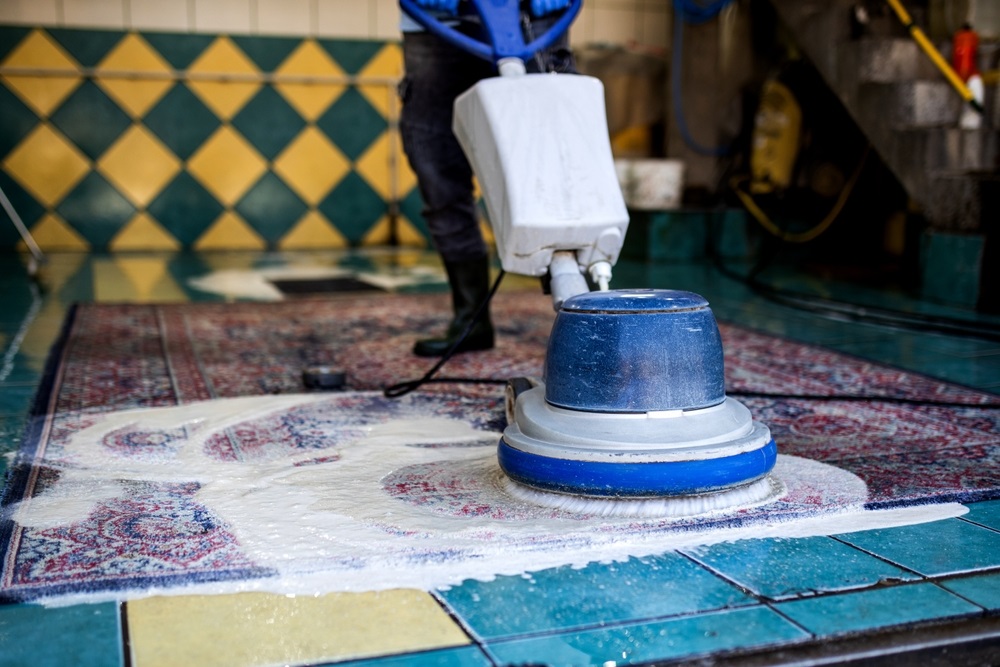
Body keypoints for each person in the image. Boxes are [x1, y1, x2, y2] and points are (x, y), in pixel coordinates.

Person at [398, 0, 574, 357]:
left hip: (535, 14)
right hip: (435, 16)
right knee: (435, 159)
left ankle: (588, 312)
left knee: (557, 159)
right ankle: (471, 318)